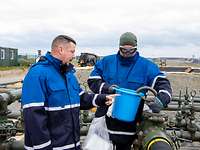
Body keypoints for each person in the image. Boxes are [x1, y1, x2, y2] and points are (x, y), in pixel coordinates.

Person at [21, 35, 115, 150]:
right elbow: (33, 116)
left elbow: (80, 98)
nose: (73, 55)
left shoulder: (68, 74)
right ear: (60, 50)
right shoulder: (37, 74)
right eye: (72, 51)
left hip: (72, 145)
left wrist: (103, 98)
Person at [87, 32, 172, 150]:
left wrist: (161, 100)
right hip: (105, 121)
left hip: (129, 125)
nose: (127, 53)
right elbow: (93, 80)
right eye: (124, 50)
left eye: (130, 50)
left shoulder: (146, 66)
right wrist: (108, 89)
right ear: (119, 47)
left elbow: (162, 83)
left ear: (136, 49)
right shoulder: (107, 62)